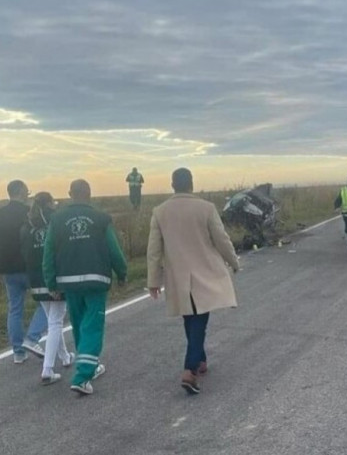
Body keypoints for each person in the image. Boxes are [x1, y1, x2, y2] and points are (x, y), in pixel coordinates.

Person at [147, 168, 240, 395]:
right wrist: (234, 261)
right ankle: (189, 369)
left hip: (178, 276)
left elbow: (154, 250)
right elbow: (222, 239)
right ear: (191, 184)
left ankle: (200, 360)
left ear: (172, 185)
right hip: (205, 273)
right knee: (199, 319)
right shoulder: (206, 208)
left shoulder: (160, 211)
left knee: (191, 318)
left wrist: (153, 280)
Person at [43, 179, 128, 395]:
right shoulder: (101, 218)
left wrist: (51, 282)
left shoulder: (57, 219)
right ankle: (82, 376)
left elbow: (48, 252)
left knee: (80, 325)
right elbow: (114, 249)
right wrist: (122, 273)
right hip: (96, 280)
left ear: (70, 193)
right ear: (89, 193)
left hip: (69, 282)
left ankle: (89, 365)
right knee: (93, 326)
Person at [20, 192, 74, 384]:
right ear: (51, 203)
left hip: (35, 278)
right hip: (54, 278)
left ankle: (65, 356)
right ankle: (48, 369)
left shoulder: (27, 226)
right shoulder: (56, 221)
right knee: (56, 322)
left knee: (53, 320)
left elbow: (24, 254)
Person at [0, 180, 47, 364]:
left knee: (15, 308)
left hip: (8, 269)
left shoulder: (1, 213)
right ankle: (32, 338)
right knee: (46, 303)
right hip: (30, 267)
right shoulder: (29, 213)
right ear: (20, 191)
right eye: (26, 190)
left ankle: (18, 351)